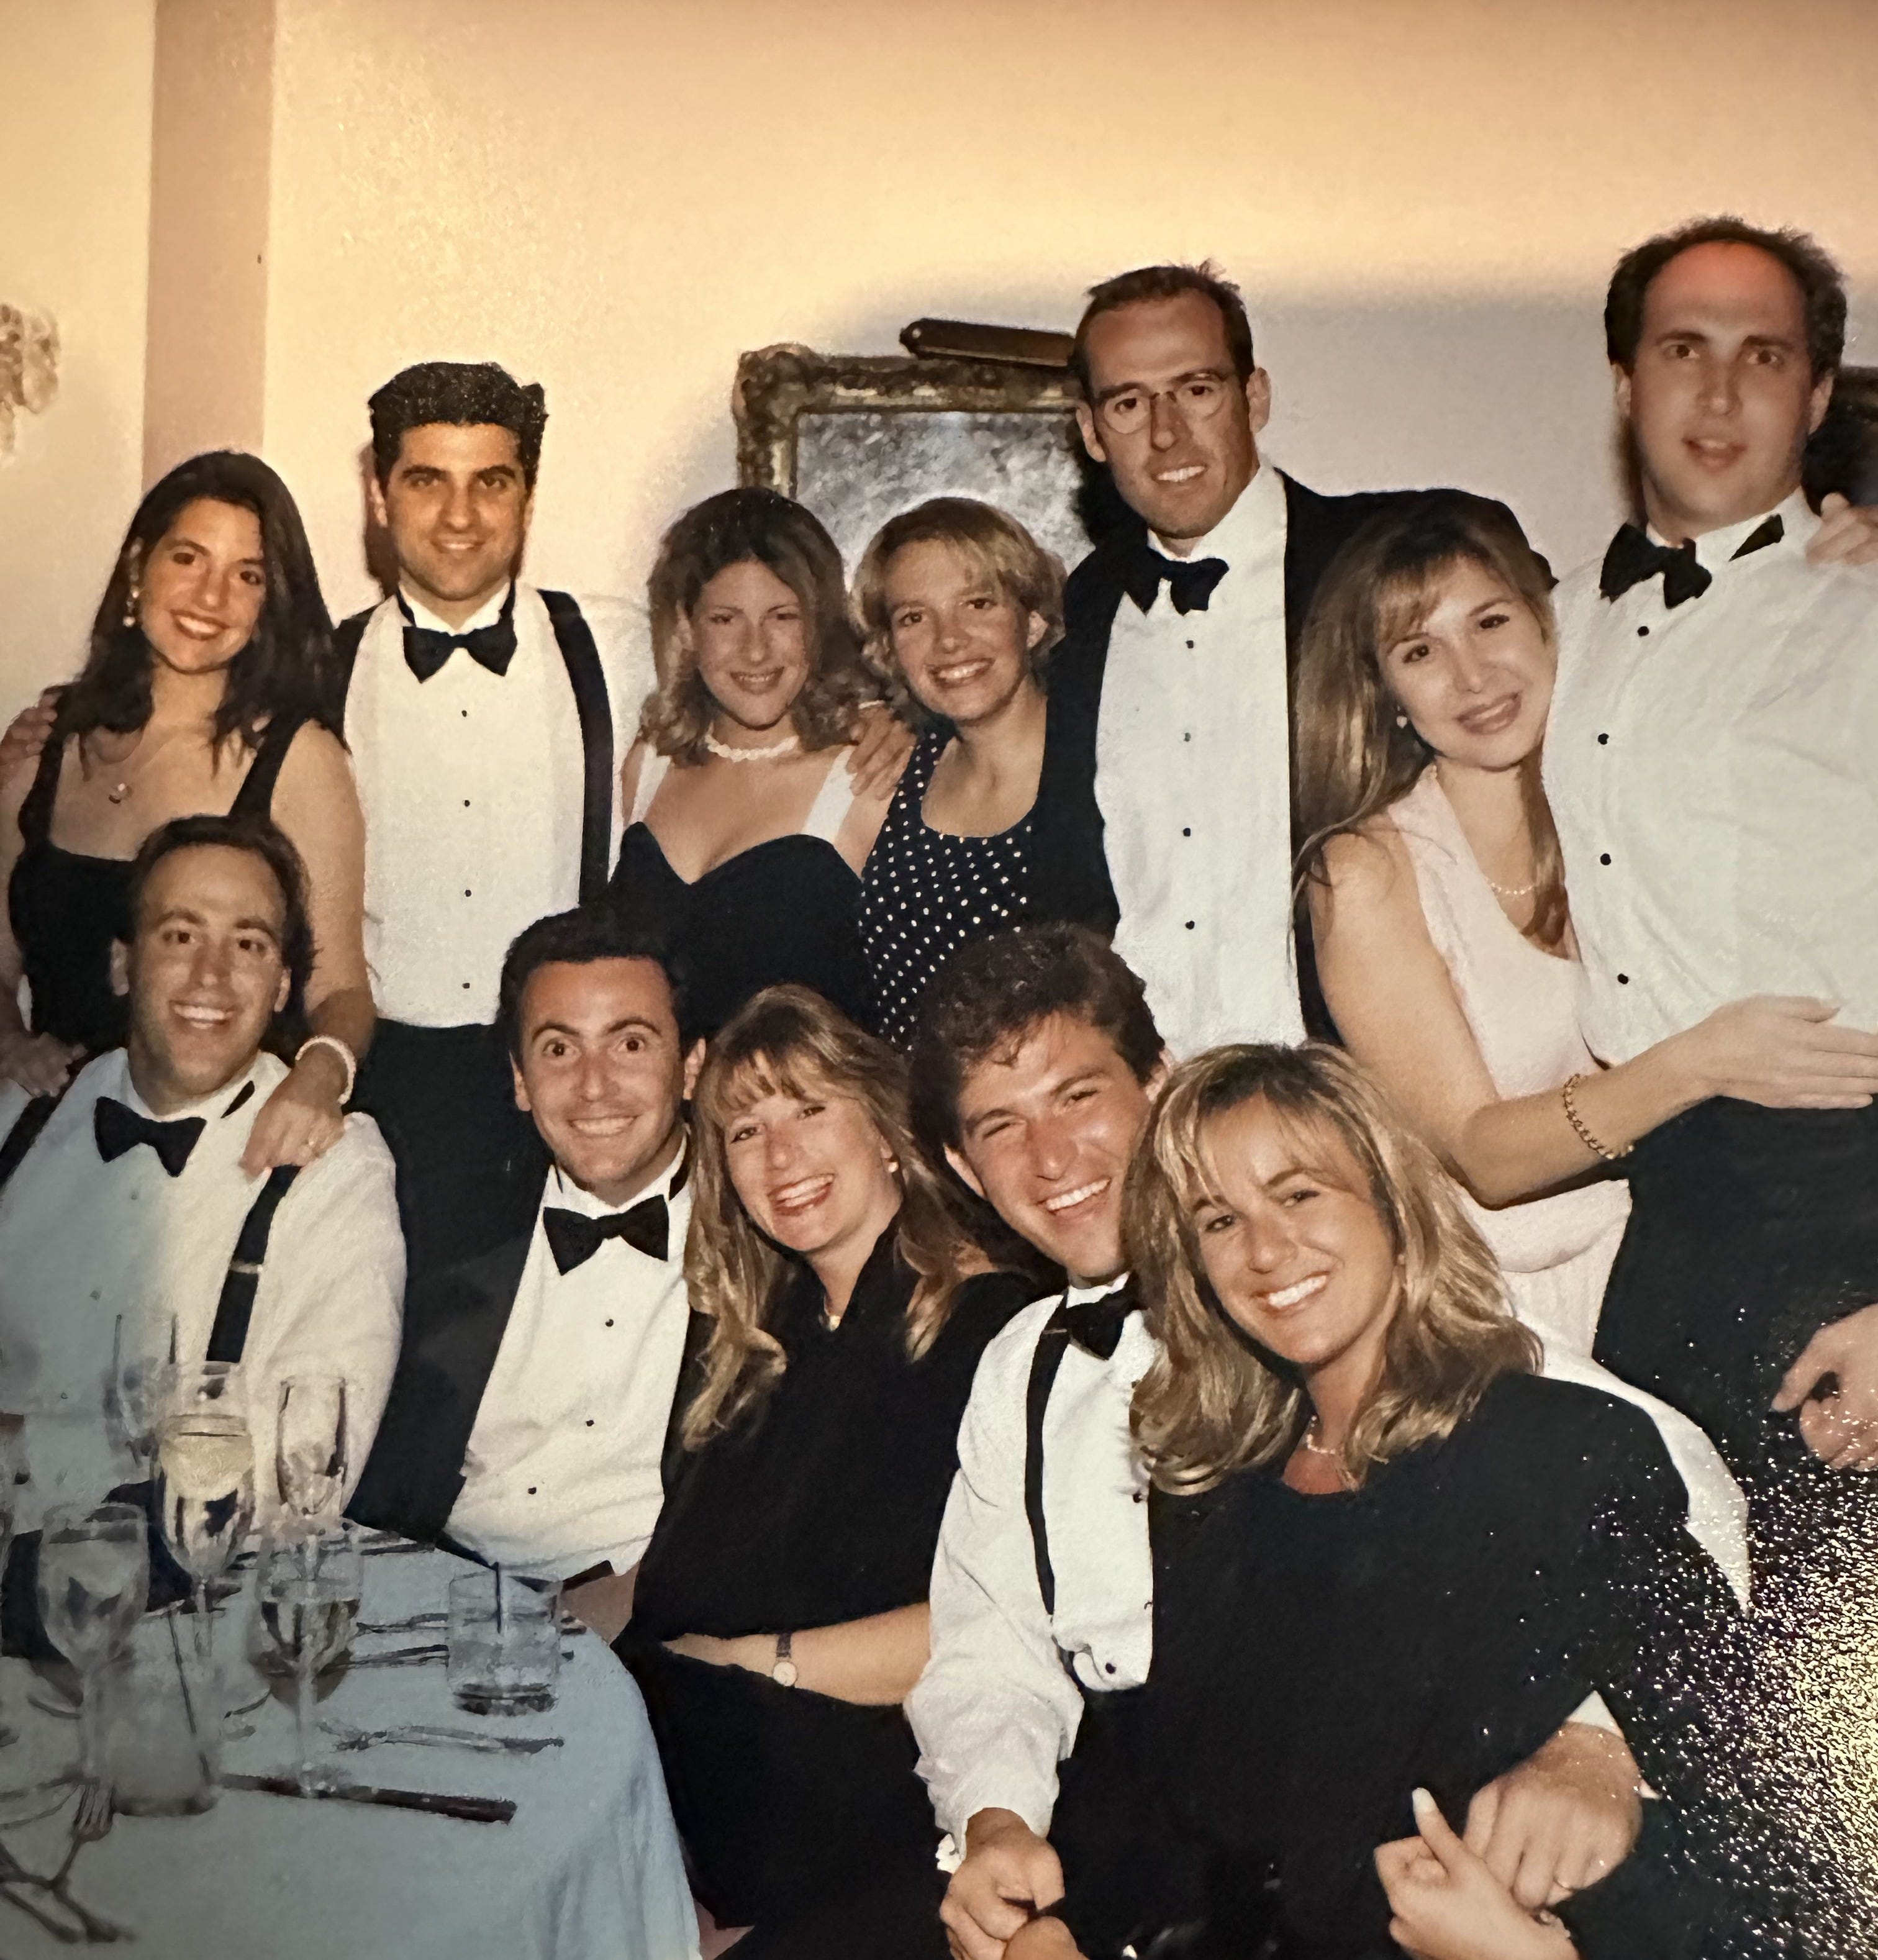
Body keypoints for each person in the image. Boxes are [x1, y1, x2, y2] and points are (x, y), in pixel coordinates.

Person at [905, 925, 1667, 1960]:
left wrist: (1594, 1742)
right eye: (1002, 1127)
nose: (1050, 1159)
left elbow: (1653, 1497)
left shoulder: (1371, 1341)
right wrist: (1001, 1829)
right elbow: (990, 1649)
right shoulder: (1030, 1370)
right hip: (1138, 1833)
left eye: (1078, 1097)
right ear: (962, 1167)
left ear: (1157, 1083)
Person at [1013, 1043, 1756, 1960]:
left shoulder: (1563, 1452)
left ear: (1392, 1204)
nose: (1265, 1251)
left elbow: (1759, 1828)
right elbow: (1184, 1815)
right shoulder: (1211, 1492)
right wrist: (1068, 1927)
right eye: (1220, 1220)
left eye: (1299, 1194)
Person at [1542, 219, 1878, 1554]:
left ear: (1818, 393)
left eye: (1765, 356)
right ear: (1624, 380)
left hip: (1841, 1200)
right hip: (1656, 1213)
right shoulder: (1546, 622)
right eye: (1684, 350)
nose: (1721, 393)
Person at [617, 984, 1030, 1956]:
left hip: (851, 1789)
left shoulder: (990, 1326)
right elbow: (678, 1574)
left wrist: (746, 1665)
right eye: (745, 1131)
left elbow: (991, 1627)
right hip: (699, 1752)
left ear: (885, 1129)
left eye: (810, 1110)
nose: (781, 1156)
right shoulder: (762, 1334)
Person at [1027, 261, 1421, 1055]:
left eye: (1197, 389)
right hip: (1151, 1091)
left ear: (1255, 397)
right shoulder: (1086, 605)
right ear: (1092, 432)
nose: (1166, 433)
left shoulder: (1384, 560)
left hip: (1349, 1079)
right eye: (1129, 403)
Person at [333, 360, 650, 1279]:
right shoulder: (318, 666)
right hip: (381, 1086)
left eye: (492, 483)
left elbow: (771, 687)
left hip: (570, 1086)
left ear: (528, 496)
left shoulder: (618, 645)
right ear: (379, 494)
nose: (460, 516)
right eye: (427, 481)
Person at [0, 813, 401, 1528]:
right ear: (123, 965)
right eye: (180, 936)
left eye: (247, 944)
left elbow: (306, 1463)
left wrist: (28, 1451)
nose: (210, 976)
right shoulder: (19, 1120)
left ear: (281, 985)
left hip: (182, 1586)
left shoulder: (334, 1168)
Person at [0, 450, 371, 1174]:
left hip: (225, 1146)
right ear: (139, 567)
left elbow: (342, 990)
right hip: (57, 1140)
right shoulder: (45, 742)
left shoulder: (300, 759)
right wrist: (9, 1043)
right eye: (189, 558)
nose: (211, 596)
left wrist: (319, 1078)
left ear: (269, 606)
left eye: (248, 575)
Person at [348, 904, 704, 1636]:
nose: (595, 1086)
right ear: (519, 1079)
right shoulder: (442, 1224)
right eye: (559, 1049)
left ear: (691, 1067)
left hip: (644, 1628)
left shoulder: (764, 1241)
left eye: (630, 1043)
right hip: (437, 1607)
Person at [610, 488, 903, 1037]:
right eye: (725, 619)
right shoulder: (648, 767)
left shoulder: (870, 775)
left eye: (782, 617)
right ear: (687, 628)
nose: (756, 650)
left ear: (818, 626)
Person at [851, 497, 1073, 1047]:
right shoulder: (900, 768)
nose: (949, 639)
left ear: (1033, 621)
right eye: (914, 617)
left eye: (978, 604)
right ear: (889, 649)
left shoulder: (1095, 768)